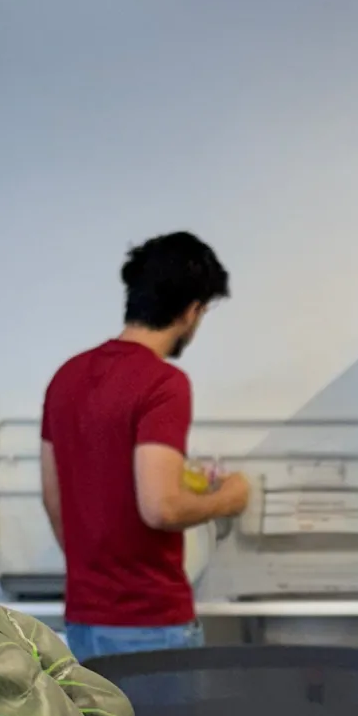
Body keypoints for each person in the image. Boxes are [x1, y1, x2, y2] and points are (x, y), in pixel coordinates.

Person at [40, 231, 250, 664]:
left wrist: (101, 576)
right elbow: (161, 508)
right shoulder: (163, 383)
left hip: (83, 621)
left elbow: (54, 498)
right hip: (154, 624)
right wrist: (230, 498)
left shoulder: (67, 377)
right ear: (192, 311)